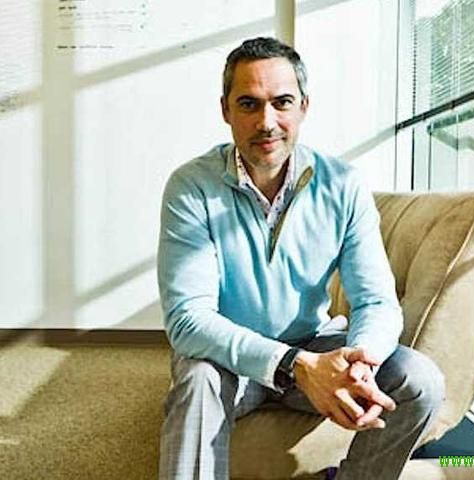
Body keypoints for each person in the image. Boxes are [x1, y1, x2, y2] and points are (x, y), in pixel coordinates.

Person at [157, 36, 445, 480]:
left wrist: (361, 362)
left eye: (282, 102)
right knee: (197, 380)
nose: (266, 122)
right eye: (249, 104)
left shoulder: (343, 184)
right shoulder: (191, 187)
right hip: (228, 361)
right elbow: (188, 320)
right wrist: (295, 365)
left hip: (314, 342)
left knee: (420, 381)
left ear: (304, 107)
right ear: (225, 110)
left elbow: (375, 300)